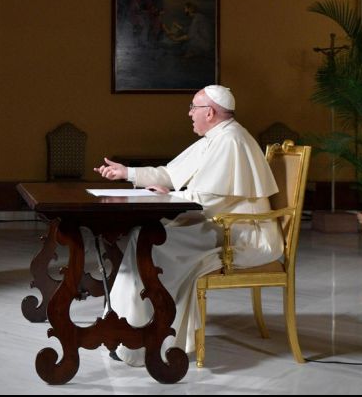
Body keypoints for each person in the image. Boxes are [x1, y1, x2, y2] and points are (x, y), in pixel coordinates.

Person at [93, 85, 280, 367]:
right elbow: (171, 173)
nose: (190, 113)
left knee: (151, 241)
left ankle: (146, 334)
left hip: (240, 233)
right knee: (144, 237)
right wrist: (126, 172)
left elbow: (210, 197)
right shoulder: (214, 137)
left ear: (210, 112)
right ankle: (127, 327)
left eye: (193, 107)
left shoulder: (231, 140)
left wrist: (168, 196)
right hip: (219, 223)